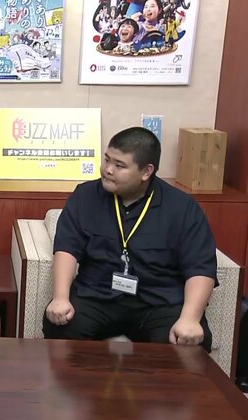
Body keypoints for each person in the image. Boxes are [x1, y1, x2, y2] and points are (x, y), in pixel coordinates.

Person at [43, 127, 216, 352]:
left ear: (146, 172)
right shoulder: (85, 196)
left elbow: (200, 267)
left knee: (187, 343)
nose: (108, 170)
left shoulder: (182, 207)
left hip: (158, 301)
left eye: (119, 165)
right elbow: (67, 248)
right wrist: (60, 298)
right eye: (107, 160)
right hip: (98, 295)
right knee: (61, 325)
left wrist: (190, 318)